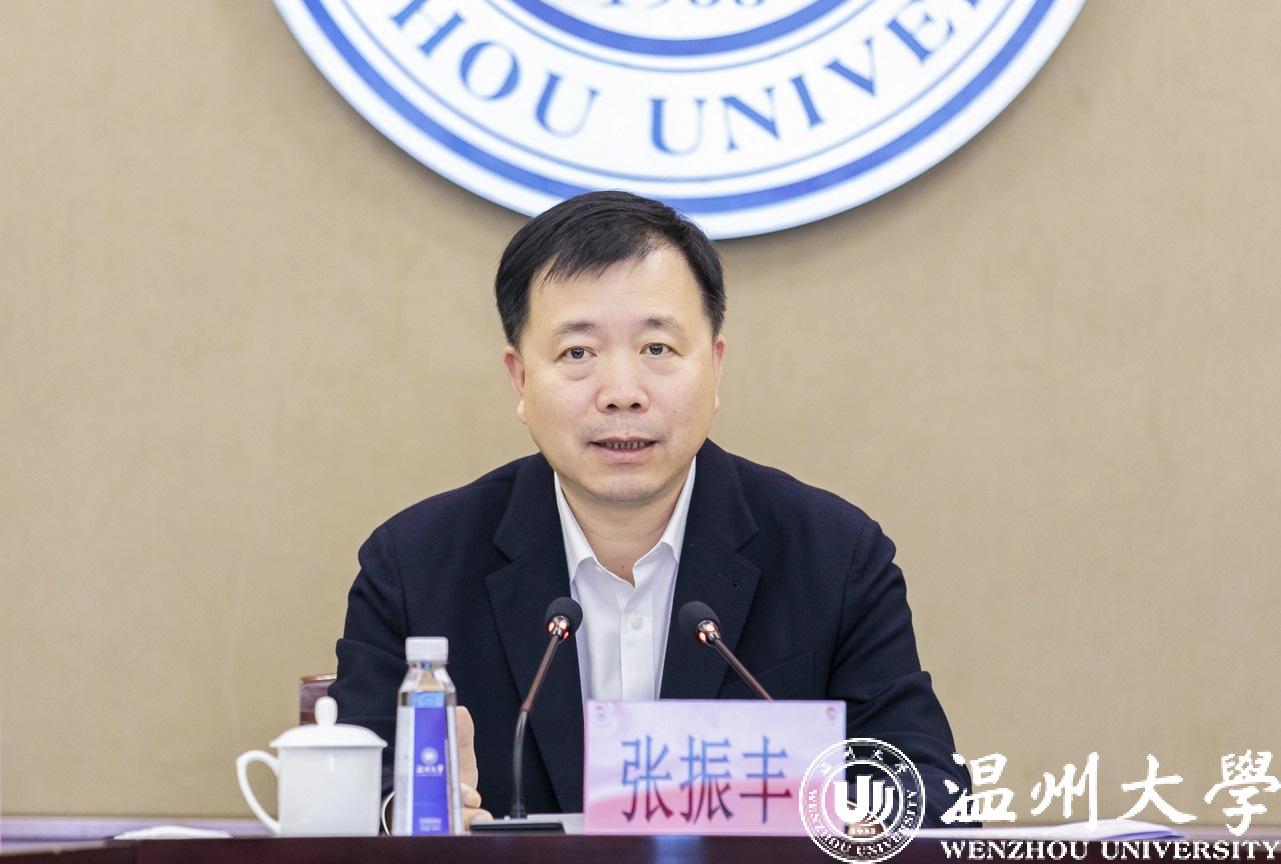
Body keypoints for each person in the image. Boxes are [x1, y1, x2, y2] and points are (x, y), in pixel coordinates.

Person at [331, 190, 971, 828]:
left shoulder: (832, 557)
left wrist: (847, 817)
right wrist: (410, 819)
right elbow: (354, 797)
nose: (622, 393)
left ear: (715, 367)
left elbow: (931, 796)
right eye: (578, 353)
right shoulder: (415, 566)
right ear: (520, 379)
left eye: (657, 348)